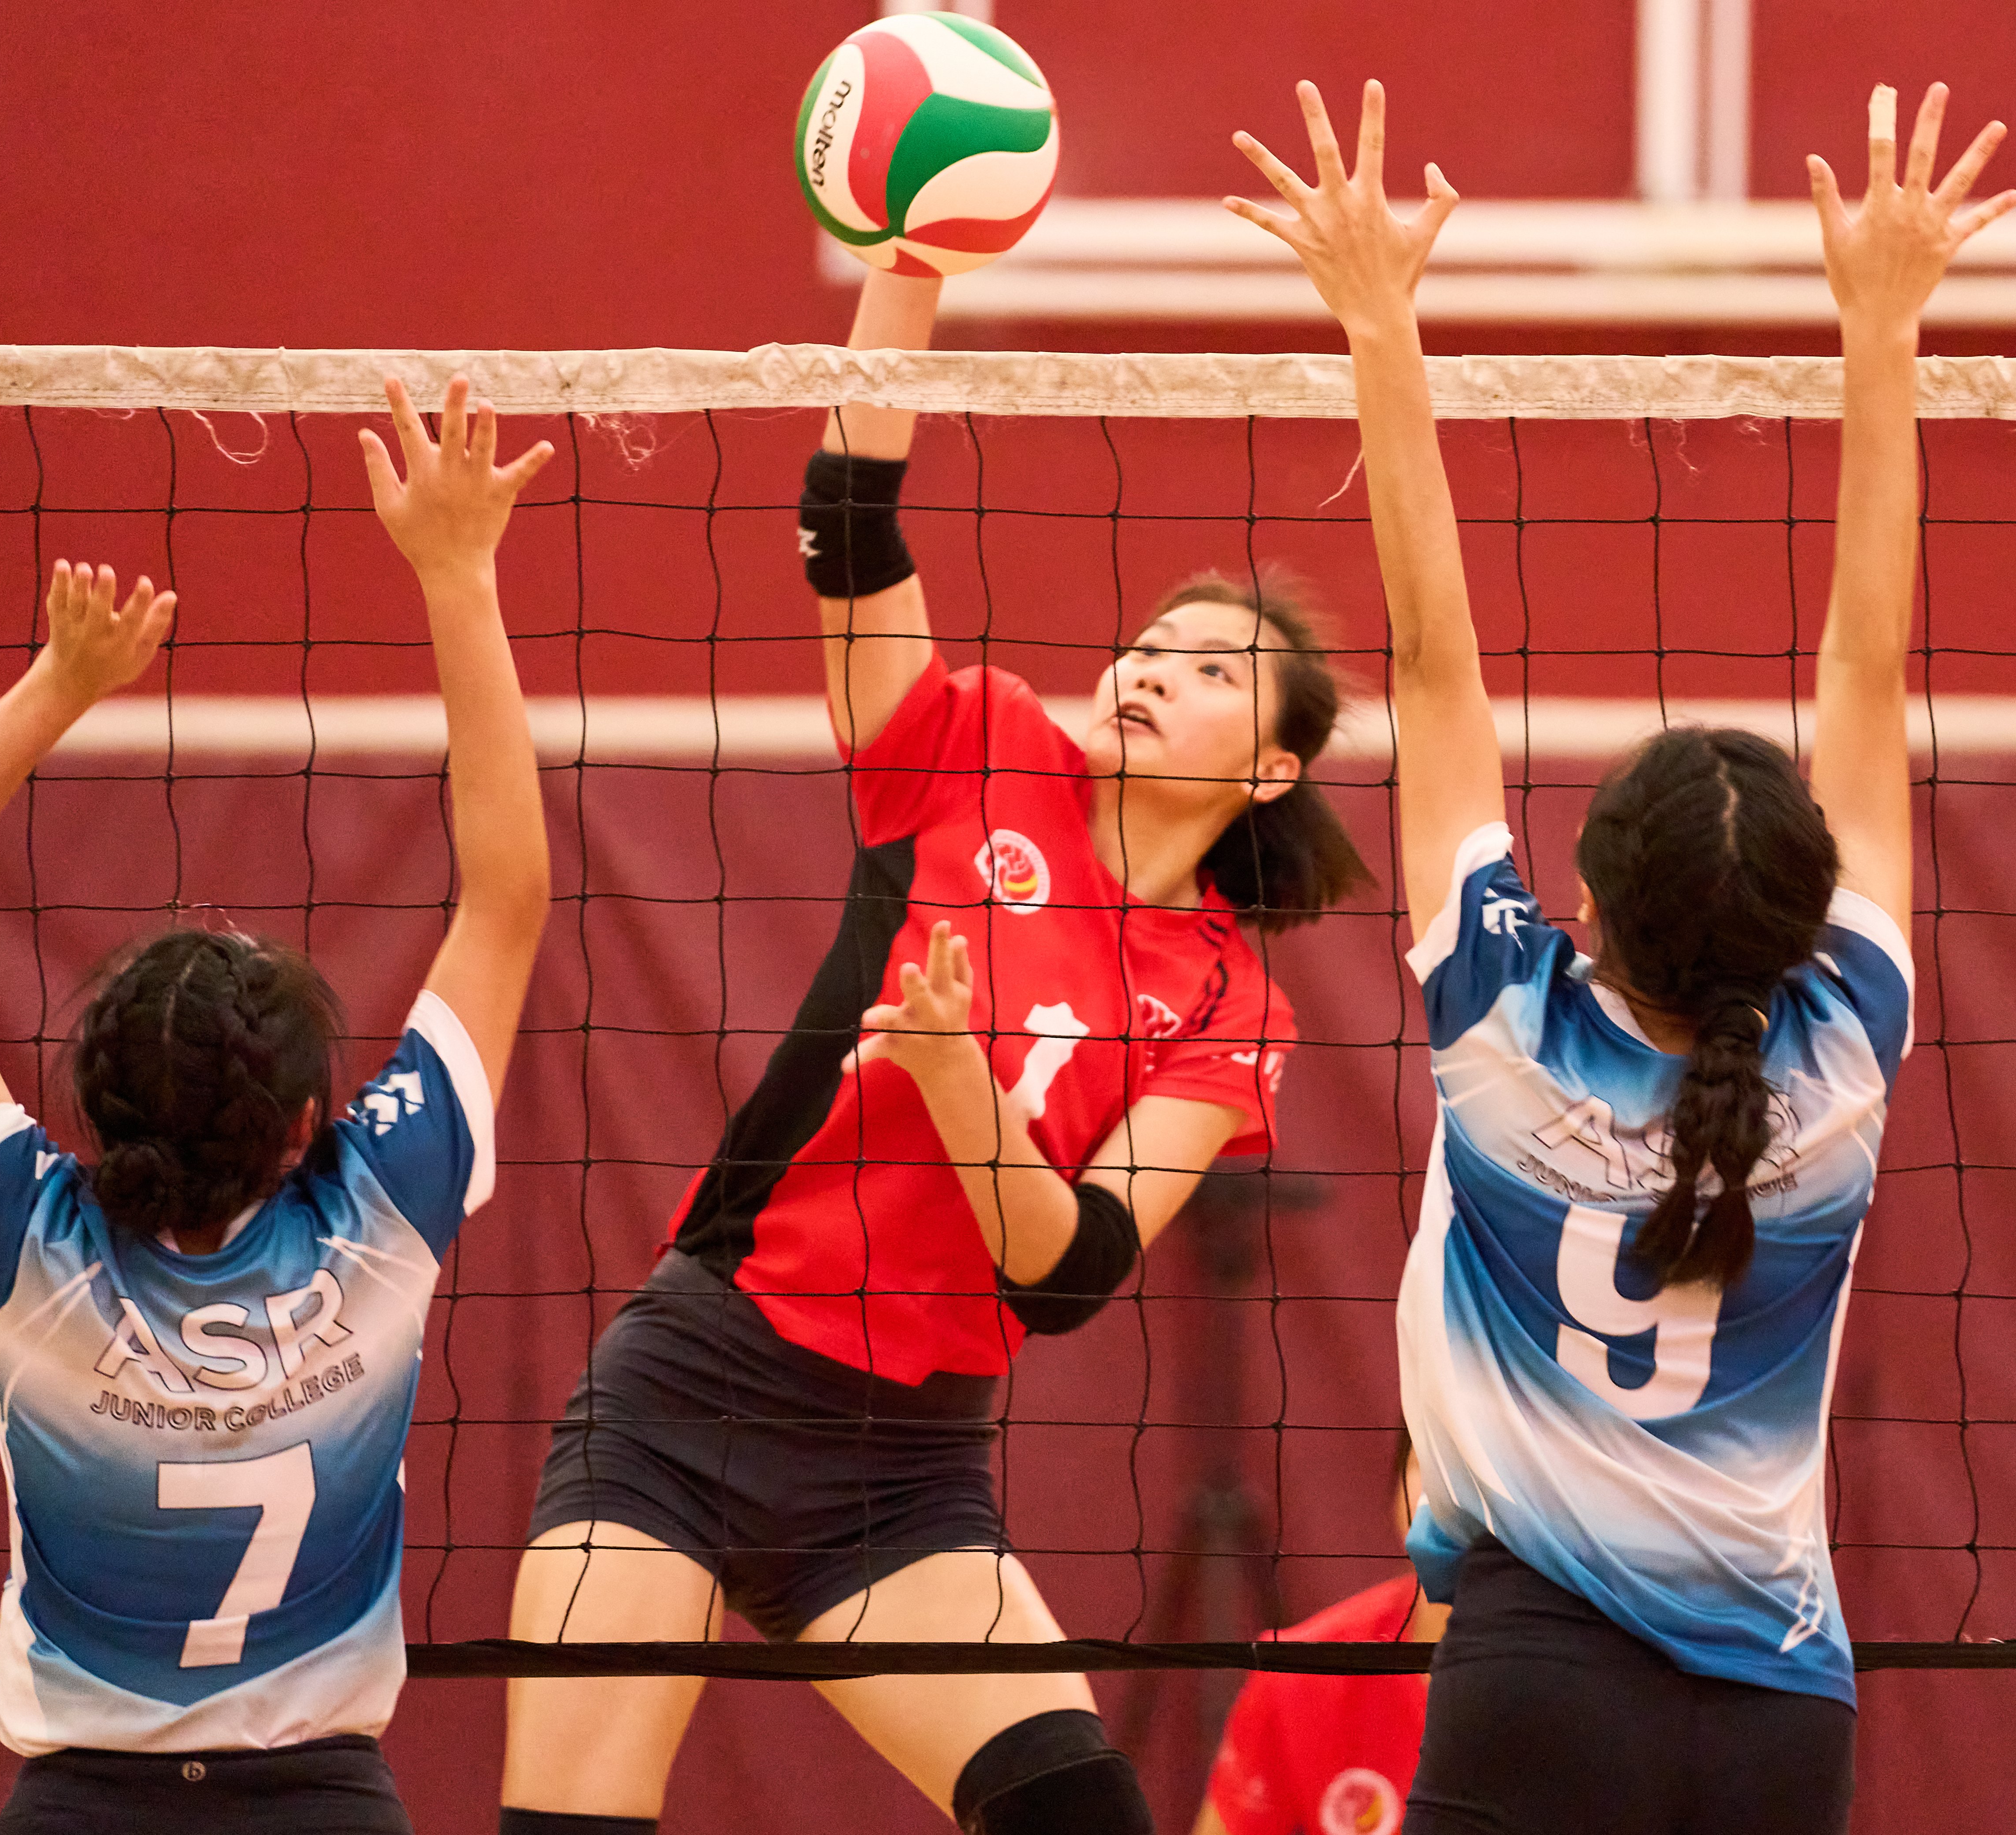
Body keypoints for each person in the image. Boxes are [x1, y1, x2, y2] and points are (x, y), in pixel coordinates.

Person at [1228, 77, 2016, 1835]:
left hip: (1535, 1686)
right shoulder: (1843, 1058)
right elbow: (1871, 677)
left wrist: (1378, 316)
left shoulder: (1502, 1024)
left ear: (1580, 895)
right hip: (1783, 1716)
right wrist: (1883, 330)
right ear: (1806, 922)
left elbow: (1429, 664)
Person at [497, 268, 1372, 1835]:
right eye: (1151, 642)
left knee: (1075, 1812)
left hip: (900, 1473)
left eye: (1212, 666)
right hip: (696, 1383)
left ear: (1270, 764)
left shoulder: (1231, 1002)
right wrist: (904, 272)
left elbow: (1069, 1273)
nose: (1155, 665)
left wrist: (959, 1087)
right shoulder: (973, 738)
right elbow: (847, 519)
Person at [0, 376, 557, 1834]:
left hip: (81, 1808)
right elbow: (508, 894)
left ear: (89, 1111)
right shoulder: (379, 1213)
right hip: (326, 1805)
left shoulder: (23, 1241)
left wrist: (62, 681)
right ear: (304, 1128)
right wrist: (459, 573)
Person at [1194, 1433, 1448, 1835]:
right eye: (1431, 1459)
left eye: (1475, 1468)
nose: (1451, 1494)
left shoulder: (1580, 1671)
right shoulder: (1297, 1673)